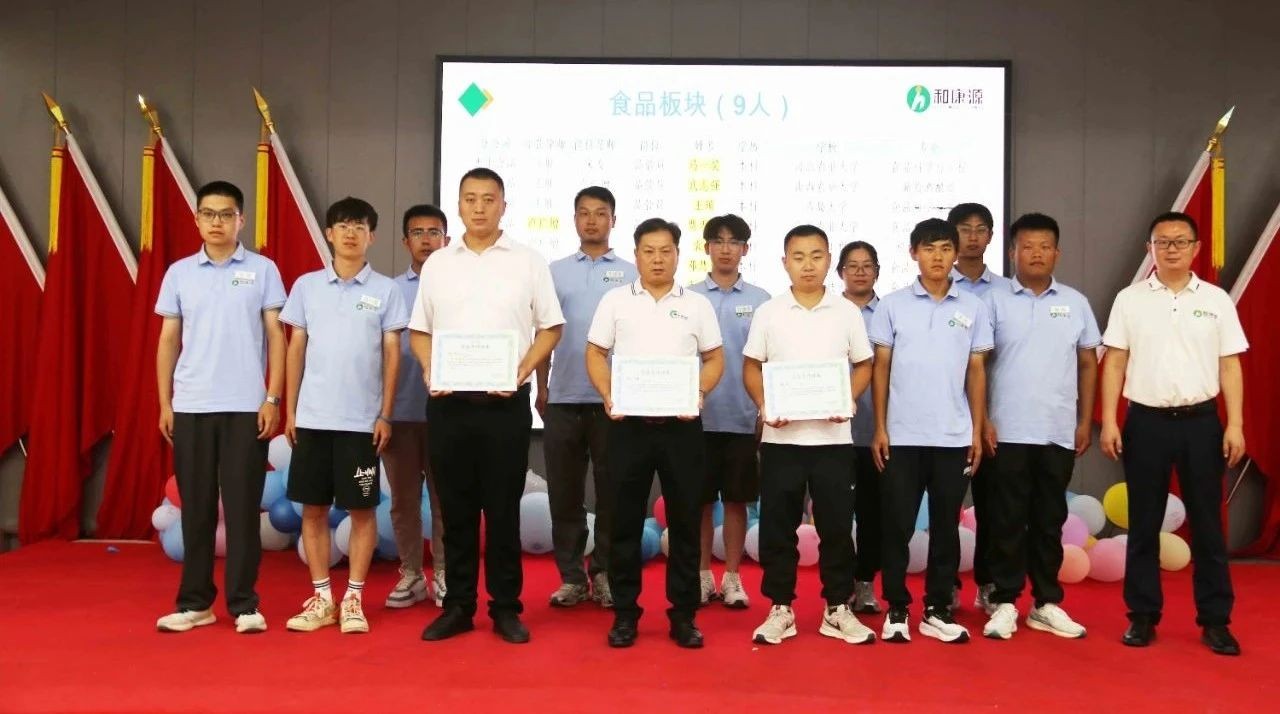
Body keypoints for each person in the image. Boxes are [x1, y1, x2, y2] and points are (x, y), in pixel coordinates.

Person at [411, 168, 565, 645]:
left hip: (505, 404)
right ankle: (458, 606)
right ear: (458, 205)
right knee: (455, 511)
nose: (479, 207)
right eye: (470, 199)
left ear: (503, 205)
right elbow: (420, 331)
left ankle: (505, 608)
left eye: (488, 199)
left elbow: (552, 327)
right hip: (449, 405)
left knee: (502, 511)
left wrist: (522, 370)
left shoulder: (528, 261)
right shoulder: (439, 263)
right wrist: (430, 369)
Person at [1099, 211, 1247, 656]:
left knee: (1208, 524)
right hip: (1145, 422)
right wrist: (1110, 420)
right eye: (1162, 242)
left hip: (1202, 423)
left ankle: (1216, 620)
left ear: (1196, 248)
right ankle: (1142, 615)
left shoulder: (1217, 300)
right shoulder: (1130, 299)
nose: (1171, 249)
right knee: (1144, 523)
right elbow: (1115, 361)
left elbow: (1229, 365)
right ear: (1150, 248)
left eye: (1180, 241)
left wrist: (1235, 424)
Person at [586, 218, 724, 649]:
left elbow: (715, 358)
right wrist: (608, 394)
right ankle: (625, 614)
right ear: (636, 255)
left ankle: (683, 615)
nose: (658, 259)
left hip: (681, 428)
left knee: (685, 522)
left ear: (678, 255)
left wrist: (698, 393)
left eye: (666, 251)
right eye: (649, 251)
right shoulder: (615, 301)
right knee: (623, 521)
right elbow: (595, 352)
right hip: (628, 427)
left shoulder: (697, 305)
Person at [154, 181, 285, 634]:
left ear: (240, 220)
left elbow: (276, 336)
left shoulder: (263, 270)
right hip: (191, 406)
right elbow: (168, 340)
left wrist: (272, 397)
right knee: (197, 509)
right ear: (196, 219)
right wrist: (165, 402)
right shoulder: (179, 273)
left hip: (246, 407)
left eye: (226, 214)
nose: (217, 222)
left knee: (243, 508)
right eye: (208, 214)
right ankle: (195, 603)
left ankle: (244, 604)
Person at [280, 197, 407, 635]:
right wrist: (290, 409)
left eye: (360, 226)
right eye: (343, 226)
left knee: (362, 511)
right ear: (329, 234)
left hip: (361, 424)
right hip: (313, 420)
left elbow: (392, 354)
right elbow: (296, 348)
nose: (351, 233)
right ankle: (322, 598)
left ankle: (353, 598)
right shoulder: (306, 287)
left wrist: (385, 414)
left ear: (372, 236)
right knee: (313, 510)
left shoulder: (386, 291)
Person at [744, 225, 875, 646]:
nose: (808, 265)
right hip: (781, 441)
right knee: (777, 528)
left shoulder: (846, 312)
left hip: (833, 440)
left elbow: (864, 364)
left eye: (816, 256)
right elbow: (751, 366)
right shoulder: (769, 312)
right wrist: (765, 405)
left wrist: (848, 398)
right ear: (785, 262)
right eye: (798, 257)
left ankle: (837, 607)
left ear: (828, 261)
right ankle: (780, 607)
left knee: (836, 528)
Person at [869, 218, 992, 644]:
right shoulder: (892, 306)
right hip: (901, 437)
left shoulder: (973, 307)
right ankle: (897, 607)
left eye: (945, 248)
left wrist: (976, 430)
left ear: (955, 253)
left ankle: (937, 608)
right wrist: (880, 427)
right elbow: (880, 369)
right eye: (928, 248)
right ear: (913, 253)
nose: (937, 257)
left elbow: (976, 371)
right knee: (897, 525)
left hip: (953, 438)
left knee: (945, 528)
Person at [979, 213, 1099, 640]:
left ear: (1057, 253)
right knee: (1007, 520)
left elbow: (1088, 362)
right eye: (1027, 246)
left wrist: (1084, 420)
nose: (1036, 254)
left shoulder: (1076, 302)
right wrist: (983, 419)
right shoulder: (993, 301)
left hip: (1057, 429)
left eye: (1044, 246)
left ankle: (1046, 602)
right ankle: (1005, 601)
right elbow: (978, 365)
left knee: (1050, 519)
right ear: (1012, 252)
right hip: (1006, 430)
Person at [538, 186, 637, 609]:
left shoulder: (633, 273)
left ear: (614, 220)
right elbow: (543, 331)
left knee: (612, 492)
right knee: (565, 493)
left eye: (600, 213)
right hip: (563, 397)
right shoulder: (553, 271)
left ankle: (605, 573)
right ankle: (572, 578)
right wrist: (542, 386)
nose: (592, 220)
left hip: (615, 402)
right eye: (584, 213)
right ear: (574, 219)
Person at [689, 214, 769, 608]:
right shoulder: (687, 298)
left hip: (742, 418)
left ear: (745, 249)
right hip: (695, 418)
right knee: (700, 501)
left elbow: (770, 360)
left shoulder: (762, 301)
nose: (725, 249)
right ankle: (703, 575)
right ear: (706, 247)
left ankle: (733, 577)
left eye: (733, 241)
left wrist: (765, 409)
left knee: (737, 501)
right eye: (718, 241)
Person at [383, 205, 450, 609]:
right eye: (418, 232)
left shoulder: (459, 286)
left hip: (449, 412)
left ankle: (443, 572)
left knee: (446, 500)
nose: (426, 240)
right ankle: (410, 573)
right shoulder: (390, 290)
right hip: (400, 412)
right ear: (405, 241)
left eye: (434, 232)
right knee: (404, 501)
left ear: (447, 239)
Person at [947, 201, 1012, 614]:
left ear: (990, 236)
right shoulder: (934, 286)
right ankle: (947, 585)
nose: (972, 237)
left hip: (994, 416)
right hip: (944, 415)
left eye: (980, 229)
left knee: (993, 505)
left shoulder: (1007, 292)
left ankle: (988, 584)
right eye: (964, 229)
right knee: (946, 508)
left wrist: (986, 416)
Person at [837, 240, 884, 614]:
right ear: (840, 272)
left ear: (877, 272)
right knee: (836, 516)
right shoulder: (827, 312)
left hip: (876, 432)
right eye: (852, 265)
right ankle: (841, 585)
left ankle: (865, 582)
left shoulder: (890, 313)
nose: (860, 272)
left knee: (873, 514)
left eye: (867, 265)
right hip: (833, 432)